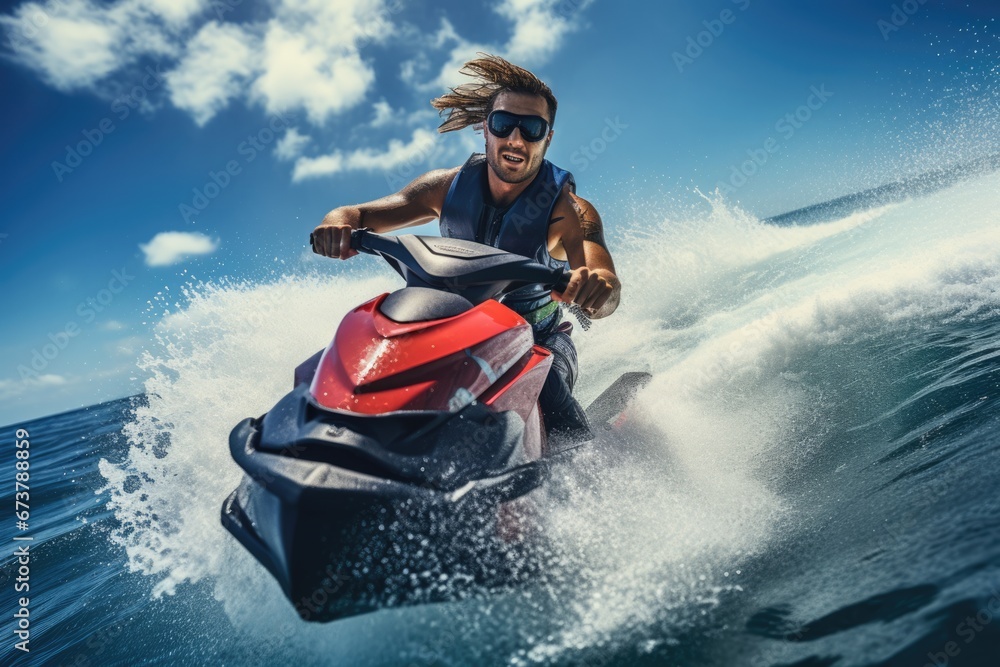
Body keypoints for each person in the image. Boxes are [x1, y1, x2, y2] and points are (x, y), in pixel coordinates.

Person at [312, 53, 620, 441]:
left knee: (558, 416)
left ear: (548, 139)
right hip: (451, 336)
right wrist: (337, 222)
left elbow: (602, 276)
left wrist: (598, 286)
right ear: (485, 129)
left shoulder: (569, 211)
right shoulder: (443, 187)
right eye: (504, 124)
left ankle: (587, 469)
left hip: (535, 346)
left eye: (532, 129)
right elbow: (354, 213)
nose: (515, 139)